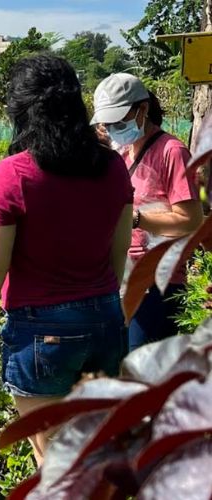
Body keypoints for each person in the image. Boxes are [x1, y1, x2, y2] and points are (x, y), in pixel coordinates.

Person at [0, 55, 133, 465]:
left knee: (54, 460)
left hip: (42, 331)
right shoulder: (112, 167)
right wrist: (100, 303)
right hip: (106, 319)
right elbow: (119, 250)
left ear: (20, 112)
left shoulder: (14, 173)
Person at [92, 73, 203, 352]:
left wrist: (136, 219)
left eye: (120, 120)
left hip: (156, 285)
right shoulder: (121, 152)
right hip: (119, 279)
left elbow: (190, 220)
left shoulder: (172, 152)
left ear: (142, 110)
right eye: (108, 123)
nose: (114, 128)